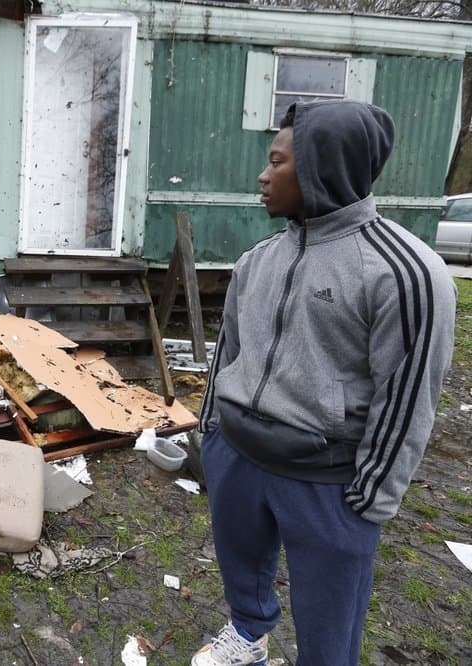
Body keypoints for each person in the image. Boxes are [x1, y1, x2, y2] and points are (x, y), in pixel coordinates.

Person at [192, 99, 457, 666]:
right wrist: (210, 431)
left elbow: (408, 397)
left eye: (277, 161)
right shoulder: (255, 261)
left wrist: (371, 497)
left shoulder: (405, 272)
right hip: (237, 455)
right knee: (242, 571)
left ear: (320, 166)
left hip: (327, 481)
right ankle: (248, 636)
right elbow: (228, 354)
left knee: (329, 624)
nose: (263, 176)